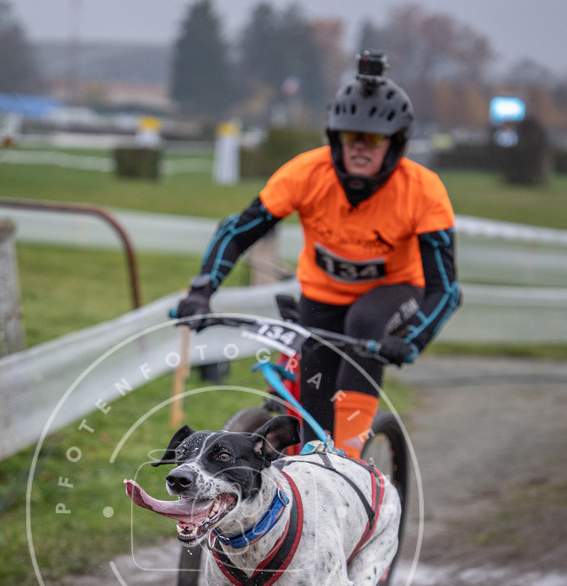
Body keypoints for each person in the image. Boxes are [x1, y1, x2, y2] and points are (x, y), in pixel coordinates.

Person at [175, 51, 461, 457]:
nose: (360, 147)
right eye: (350, 137)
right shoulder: (306, 173)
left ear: (394, 144)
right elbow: (237, 232)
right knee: (312, 433)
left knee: (365, 324)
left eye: (374, 139)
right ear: (335, 138)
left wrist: (414, 339)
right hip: (322, 297)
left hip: (395, 291)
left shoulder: (423, 190)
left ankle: (352, 463)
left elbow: (445, 290)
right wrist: (203, 289)